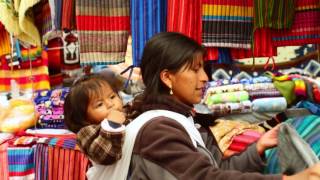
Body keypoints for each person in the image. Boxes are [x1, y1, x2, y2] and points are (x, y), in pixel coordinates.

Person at [94, 32, 319, 180]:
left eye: (203, 68)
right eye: (195, 69)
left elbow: (218, 169)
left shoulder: (186, 120)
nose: (204, 78)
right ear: (167, 78)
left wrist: (258, 147)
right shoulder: (157, 131)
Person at [63, 74, 128, 165]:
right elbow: (106, 156)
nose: (110, 104)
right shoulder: (86, 132)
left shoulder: (126, 111)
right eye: (99, 104)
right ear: (84, 117)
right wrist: (112, 125)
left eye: (112, 97)